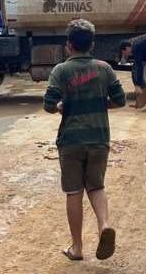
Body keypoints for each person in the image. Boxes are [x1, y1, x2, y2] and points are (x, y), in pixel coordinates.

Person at [44, 19, 127, 261]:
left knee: (73, 192)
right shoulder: (104, 68)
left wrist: (61, 107)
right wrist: (101, 105)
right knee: (97, 186)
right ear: (92, 44)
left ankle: (77, 247)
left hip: (71, 140)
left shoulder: (61, 71)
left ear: (69, 45)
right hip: (99, 137)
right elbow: (120, 100)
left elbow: (49, 105)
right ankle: (104, 226)